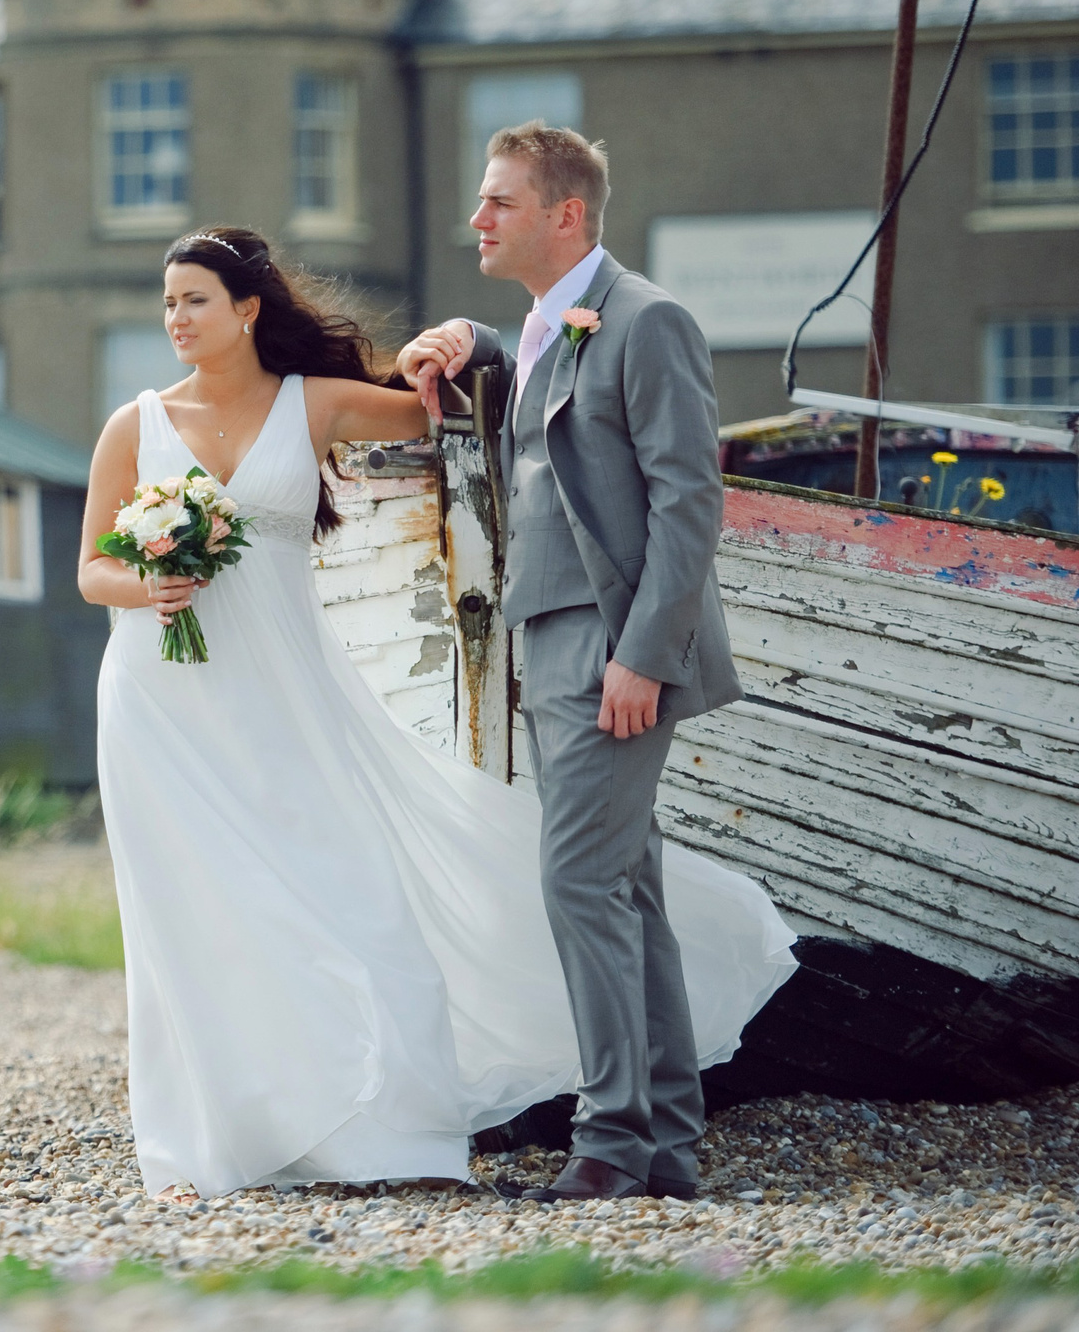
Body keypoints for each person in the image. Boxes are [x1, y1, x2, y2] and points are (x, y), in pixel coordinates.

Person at [80, 219, 792, 1200]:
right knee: (190, 916)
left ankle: (388, 1132)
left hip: (285, 693)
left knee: (355, 897)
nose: (175, 319)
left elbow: (452, 414)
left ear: (246, 310)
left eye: (193, 300)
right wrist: (148, 584)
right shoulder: (136, 425)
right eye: (167, 303)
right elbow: (91, 568)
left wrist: (449, 344)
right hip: (159, 700)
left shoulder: (314, 403)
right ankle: (218, 1141)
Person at [394, 123, 757, 1202]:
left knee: (578, 882)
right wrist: (472, 343)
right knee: (624, 888)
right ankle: (663, 1146)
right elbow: (549, 418)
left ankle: (611, 1139)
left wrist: (643, 655)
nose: (478, 218)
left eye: (498, 201)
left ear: (564, 215)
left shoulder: (651, 322)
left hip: (609, 647)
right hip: (546, 638)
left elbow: (691, 502)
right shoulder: (548, 323)